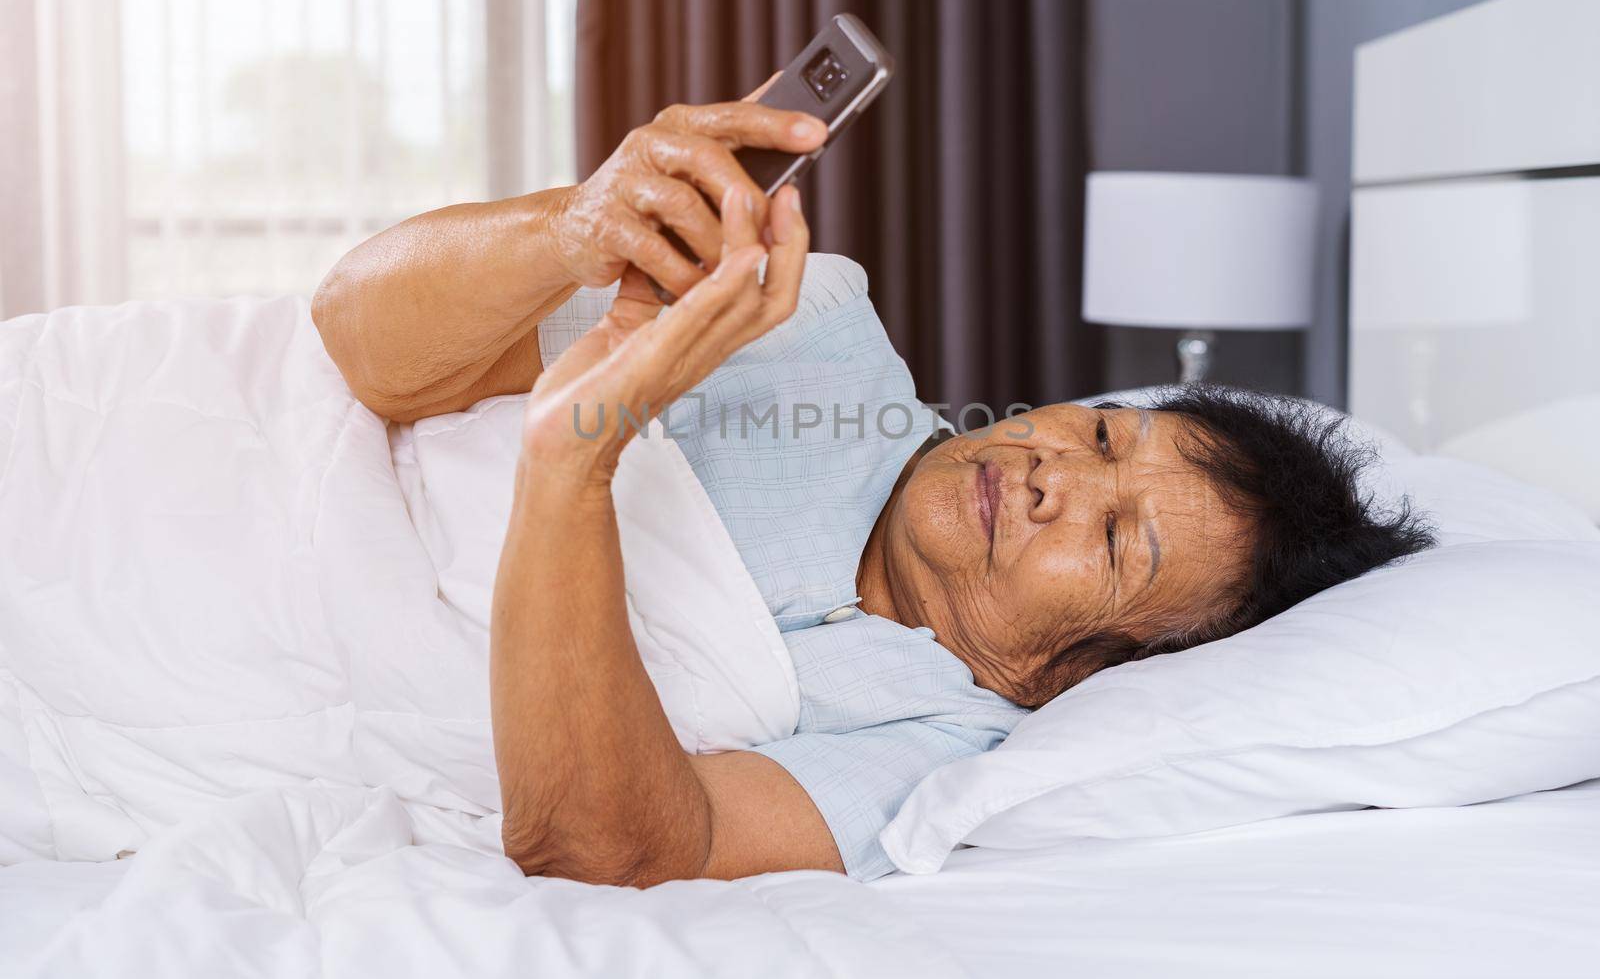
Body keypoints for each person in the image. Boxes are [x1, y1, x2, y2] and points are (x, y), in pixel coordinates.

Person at [312, 93, 1432, 888]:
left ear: (1093, 673)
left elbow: (607, 850)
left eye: (1114, 539)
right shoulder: (808, 323)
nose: (1054, 476)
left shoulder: (935, 751)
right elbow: (357, 343)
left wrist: (572, 468)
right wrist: (571, 227)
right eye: (1099, 434)